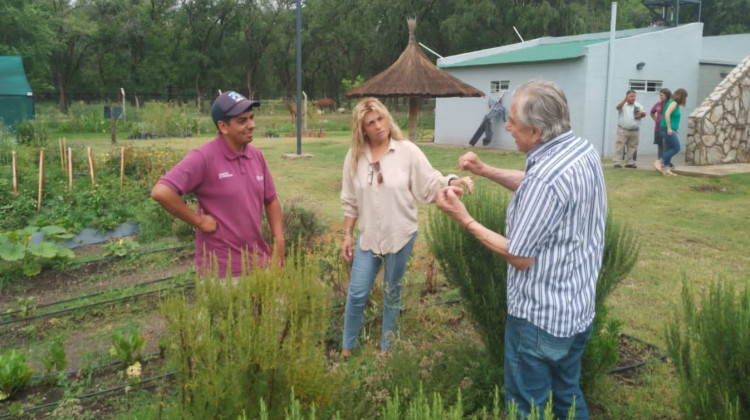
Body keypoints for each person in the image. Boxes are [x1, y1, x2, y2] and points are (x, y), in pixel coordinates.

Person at [434, 80, 607, 420]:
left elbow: (520, 256)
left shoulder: (547, 177)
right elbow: (534, 182)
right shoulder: (579, 150)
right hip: (576, 313)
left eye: (513, 120)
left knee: (526, 408)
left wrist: (464, 219)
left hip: (539, 322)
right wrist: (484, 170)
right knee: (567, 395)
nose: (507, 125)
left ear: (537, 131)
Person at [340, 97, 473, 358]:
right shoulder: (354, 157)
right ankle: (347, 348)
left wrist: (452, 180)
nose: (378, 126)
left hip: (400, 235)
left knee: (392, 292)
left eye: (381, 118)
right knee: (356, 294)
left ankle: (386, 350)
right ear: (362, 129)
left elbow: (430, 180)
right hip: (368, 238)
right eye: (371, 122)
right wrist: (347, 234)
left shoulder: (406, 151)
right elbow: (349, 199)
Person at [151, 91, 285, 278]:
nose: (251, 125)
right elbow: (161, 192)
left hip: (259, 264)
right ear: (223, 126)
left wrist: (279, 240)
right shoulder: (204, 157)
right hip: (222, 272)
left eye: (251, 118)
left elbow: (270, 200)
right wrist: (198, 221)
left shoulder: (256, 156)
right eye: (242, 121)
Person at [653, 88, 688, 177]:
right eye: (685, 98)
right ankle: (660, 161)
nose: (685, 100)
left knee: (669, 149)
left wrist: (674, 129)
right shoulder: (673, 103)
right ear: (682, 97)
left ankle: (666, 170)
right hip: (667, 129)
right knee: (676, 147)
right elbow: (667, 114)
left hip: (669, 129)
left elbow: (671, 117)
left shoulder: (670, 102)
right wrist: (669, 128)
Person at [613, 90, 646, 168]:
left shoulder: (638, 105)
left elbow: (644, 114)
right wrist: (624, 101)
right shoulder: (622, 105)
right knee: (620, 146)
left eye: (634, 96)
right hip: (623, 129)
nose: (633, 98)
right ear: (627, 96)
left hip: (634, 130)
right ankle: (617, 162)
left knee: (632, 146)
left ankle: (629, 162)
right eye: (631, 96)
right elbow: (618, 108)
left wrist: (642, 114)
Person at [649, 88, 672, 159]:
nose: (660, 97)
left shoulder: (671, 104)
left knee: (667, 145)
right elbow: (652, 112)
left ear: (667, 95)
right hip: (658, 128)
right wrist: (656, 120)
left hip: (667, 128)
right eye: (660, 95)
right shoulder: (658, 104)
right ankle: (659, 161)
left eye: (662, 95)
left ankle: (666, 162)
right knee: (660, 145)